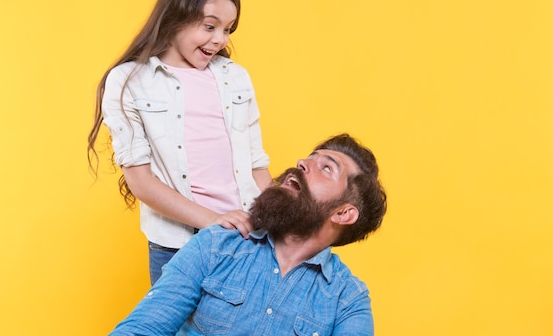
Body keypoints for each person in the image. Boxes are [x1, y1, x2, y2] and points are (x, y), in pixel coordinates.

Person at [87, 0, 272, 284]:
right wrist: (215, 220)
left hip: (248, 239)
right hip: (177, 248)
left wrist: (280, 226)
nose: (220, 40)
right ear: (176, 18)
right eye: (209, 26)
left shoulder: (236, 78)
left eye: (228, 29)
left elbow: (257, 166)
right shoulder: (129, 81)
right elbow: (141, 181)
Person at [108, 133, 388, 336]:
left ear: (343, 214)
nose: (303, 163)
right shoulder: (216, 246)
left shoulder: (347, 300)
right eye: (310, 158)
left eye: (326, 168)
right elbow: (142, 329)